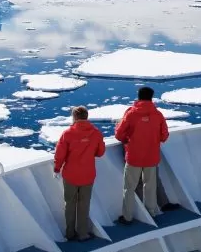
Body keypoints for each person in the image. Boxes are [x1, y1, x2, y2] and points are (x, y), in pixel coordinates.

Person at [114, 86, 170, 225]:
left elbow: (119, 134)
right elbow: (164, 136)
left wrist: (128, 139)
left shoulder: (131, 114)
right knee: (150, 186)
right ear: (151, 97)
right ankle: (151, 213)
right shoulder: (158, 115)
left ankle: (127, 217)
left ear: (138, 96)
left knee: (129, 188)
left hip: (133, 157)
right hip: (151, 157)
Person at [53, 106, 106, 241]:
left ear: (74, 117)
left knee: (70, 204)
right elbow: (100, 153)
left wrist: (57, 168)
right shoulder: (96, 133)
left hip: (70, 175)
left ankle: (70, 233)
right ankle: (83, 234)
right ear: (86, 117)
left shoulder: (68, 134)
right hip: (88, 175)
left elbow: (60, 154)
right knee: (84, 204)